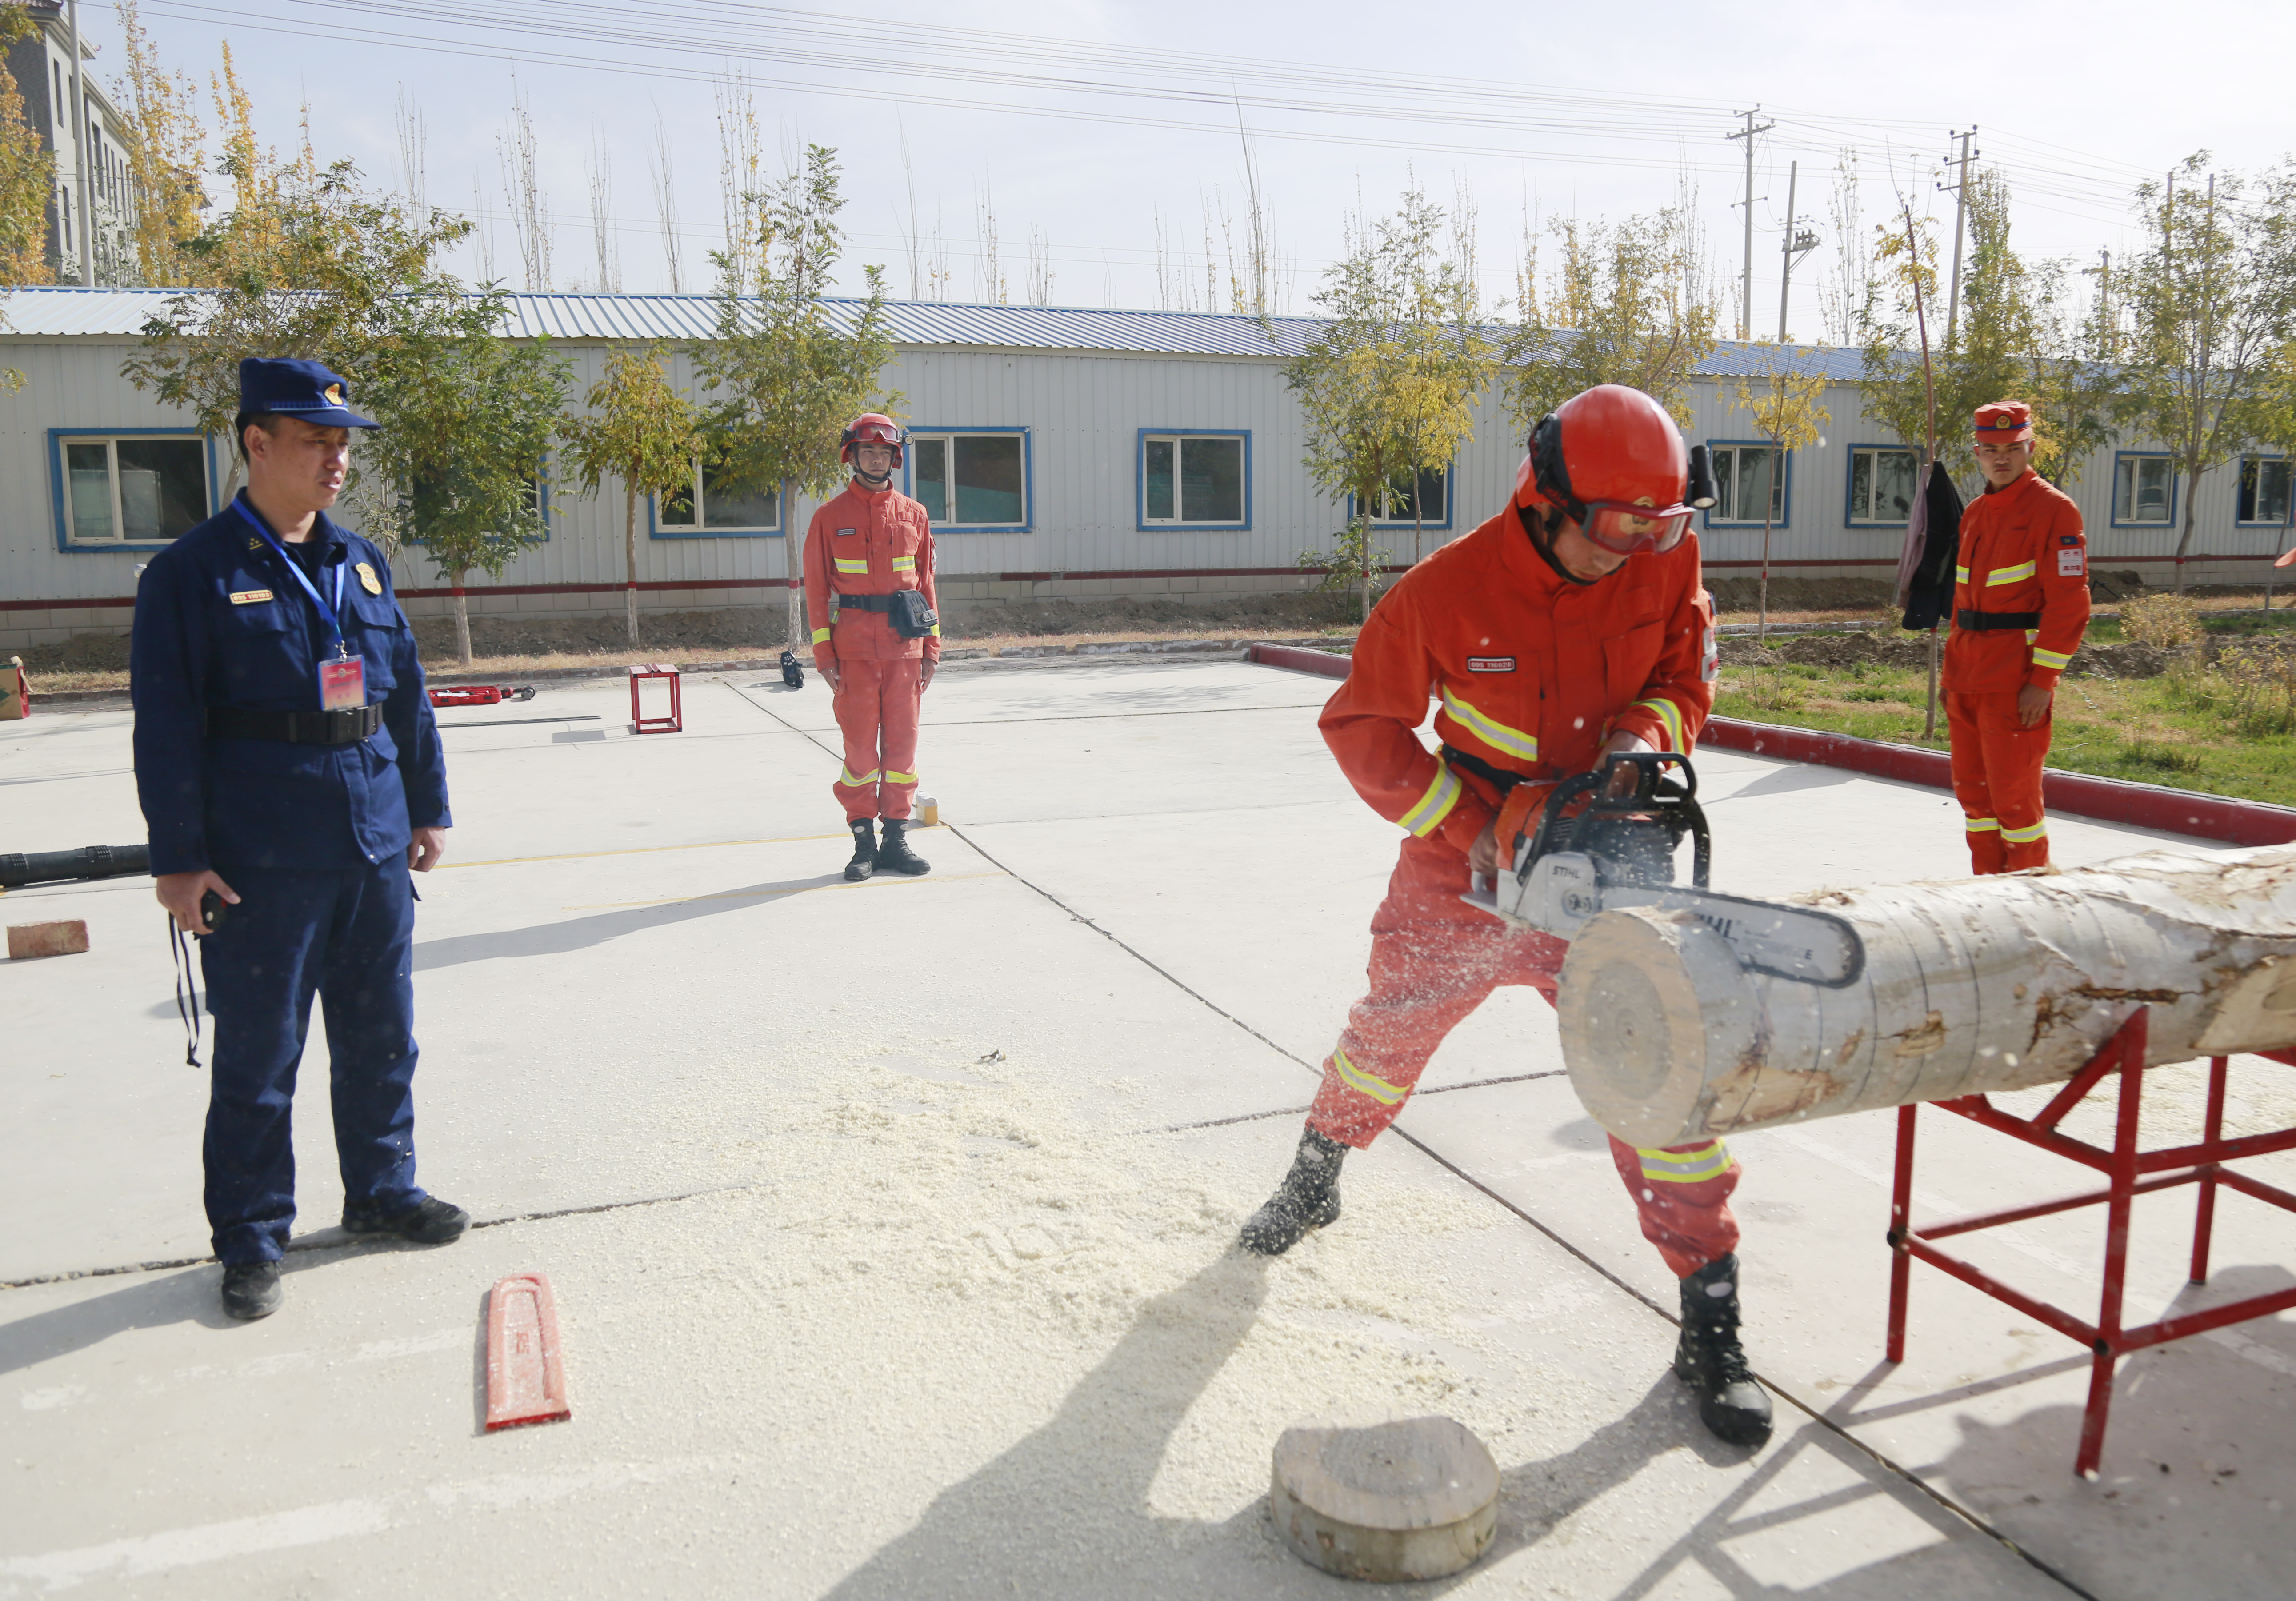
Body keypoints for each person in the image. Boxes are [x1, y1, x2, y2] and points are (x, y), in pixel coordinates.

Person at [1237, 384, 1773, 1447]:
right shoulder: (1444, 591)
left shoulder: (1662, 556)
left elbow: (1682, 674)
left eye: (1658, 528)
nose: (1634, 550)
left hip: (1610, 838)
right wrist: (1470, 823)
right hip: (1469, 854)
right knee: (1392, 1024)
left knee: (1662, 1067)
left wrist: (1637, 750)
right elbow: (1362, 725)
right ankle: (1317, 1173)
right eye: (1617, 526)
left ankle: (1712, 1316)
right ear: (1547, 497)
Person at [131, 358, 464, 1323]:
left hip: (369, 841)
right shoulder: (193, 574)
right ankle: (251, 1235)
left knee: (381, 1039)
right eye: (317, 441)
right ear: (256, 444)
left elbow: (403, 693)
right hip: (260, 858)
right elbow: (165, 727)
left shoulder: (358, 562)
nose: (337, 459)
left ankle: (383, 1190)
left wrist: (425, 805)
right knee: (260, 1059)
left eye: (344, 443)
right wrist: (179, 859)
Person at [1943, 400, 2089, 875]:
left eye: (2011, 448)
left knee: (2015, 806)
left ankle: (2032, 906)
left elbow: (2070, 604)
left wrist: (2042, 680)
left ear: (2029, 447)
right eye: (1990, 449)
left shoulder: (2055, 510)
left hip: (2013, 682)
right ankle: (1988, 899)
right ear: (1977, 453)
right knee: (1975, 799)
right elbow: (1963, 606)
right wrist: (1951, 676)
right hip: (1968, 678)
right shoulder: (1975, 513)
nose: (2000, 457)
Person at [803, 413, 942, 881]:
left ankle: (896, 841)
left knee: (901, 752)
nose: (876, 458)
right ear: (853, 455)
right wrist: (825, 656)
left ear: (894, 457)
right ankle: (863, 842)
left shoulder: (915, 514)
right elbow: (818, 592)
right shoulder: (828, 517)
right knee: (861, 753)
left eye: (884, 451)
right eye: (868, 451)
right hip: (855, 654)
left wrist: (931, 648)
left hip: (904, 652)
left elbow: (926, 586)